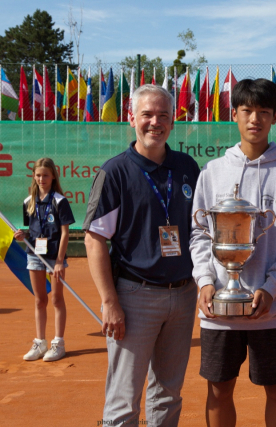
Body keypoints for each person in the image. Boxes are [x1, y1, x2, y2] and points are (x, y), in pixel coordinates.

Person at [190, 78, 276, 427]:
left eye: (263, 112)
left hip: (272, 309)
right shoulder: (213, 171)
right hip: (218, 308)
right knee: (218, 389)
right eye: (247, 111)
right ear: (235, 115)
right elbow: (199, 233)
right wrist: (205, 281)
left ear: (274, 117)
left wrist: (271, 288)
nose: (254, 119)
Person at [84, 84, 200, 427]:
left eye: (163, 115)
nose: (155, 122)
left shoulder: (187, 167)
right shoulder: (115, 171)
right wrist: (109, 301)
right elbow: (94, 240)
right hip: (134, 296)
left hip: (183, 295)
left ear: (172, 121)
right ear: (131, 118)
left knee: (168, 395)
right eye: (147, 114)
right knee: (124, 400)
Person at [15, 158, 74, 362]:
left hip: (54, 257)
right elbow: (31, 230)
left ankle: (59, 343)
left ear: (53, 177)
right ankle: (40, 342)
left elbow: (65, 233)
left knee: (57, 299)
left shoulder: (59, 201)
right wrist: (23, 236)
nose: (41, 179)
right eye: (38, 175)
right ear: (34, 176)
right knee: (40, 299)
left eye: (46, 175)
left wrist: (59, 260)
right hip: (34, 255)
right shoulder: (27, 202)